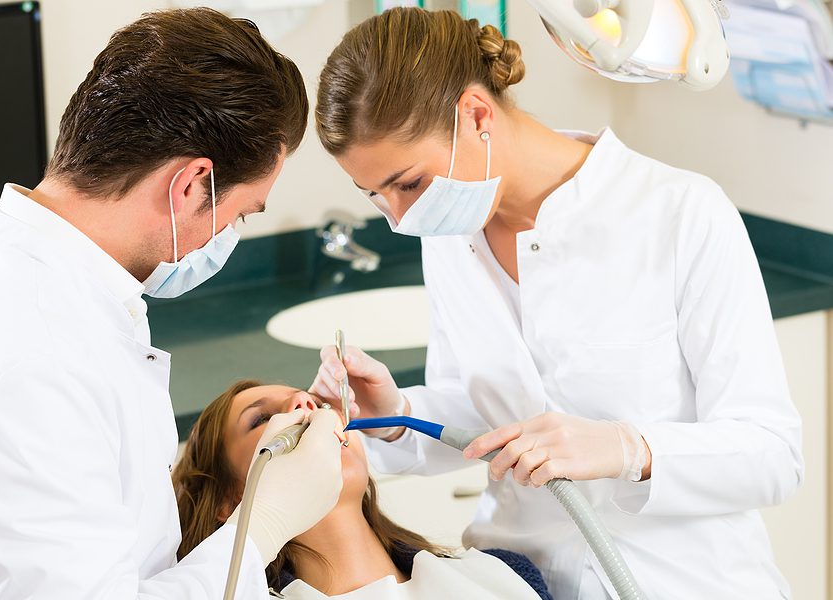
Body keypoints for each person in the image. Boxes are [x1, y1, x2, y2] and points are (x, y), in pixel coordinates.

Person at [308, 7, 803, 600]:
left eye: (409, 183)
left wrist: (628, 449)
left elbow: (772, 454)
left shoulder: (679, 213)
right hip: (521, 581)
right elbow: (486, 413)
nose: (400, 218)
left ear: (476, 115)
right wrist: (396, 414)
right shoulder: (449, 235)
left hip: (686, 582)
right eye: (375, 195)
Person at [0, 8, 343, 599]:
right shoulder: (38, 355)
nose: (224, 238)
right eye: (239, 214)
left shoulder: (7, 290)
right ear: (189, 186)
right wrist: (260, 532)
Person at [174, 380, 554, 599]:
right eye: (263, 418)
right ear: (229, 501)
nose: (307, 405)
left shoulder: (506, 573)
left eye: (318, 403)